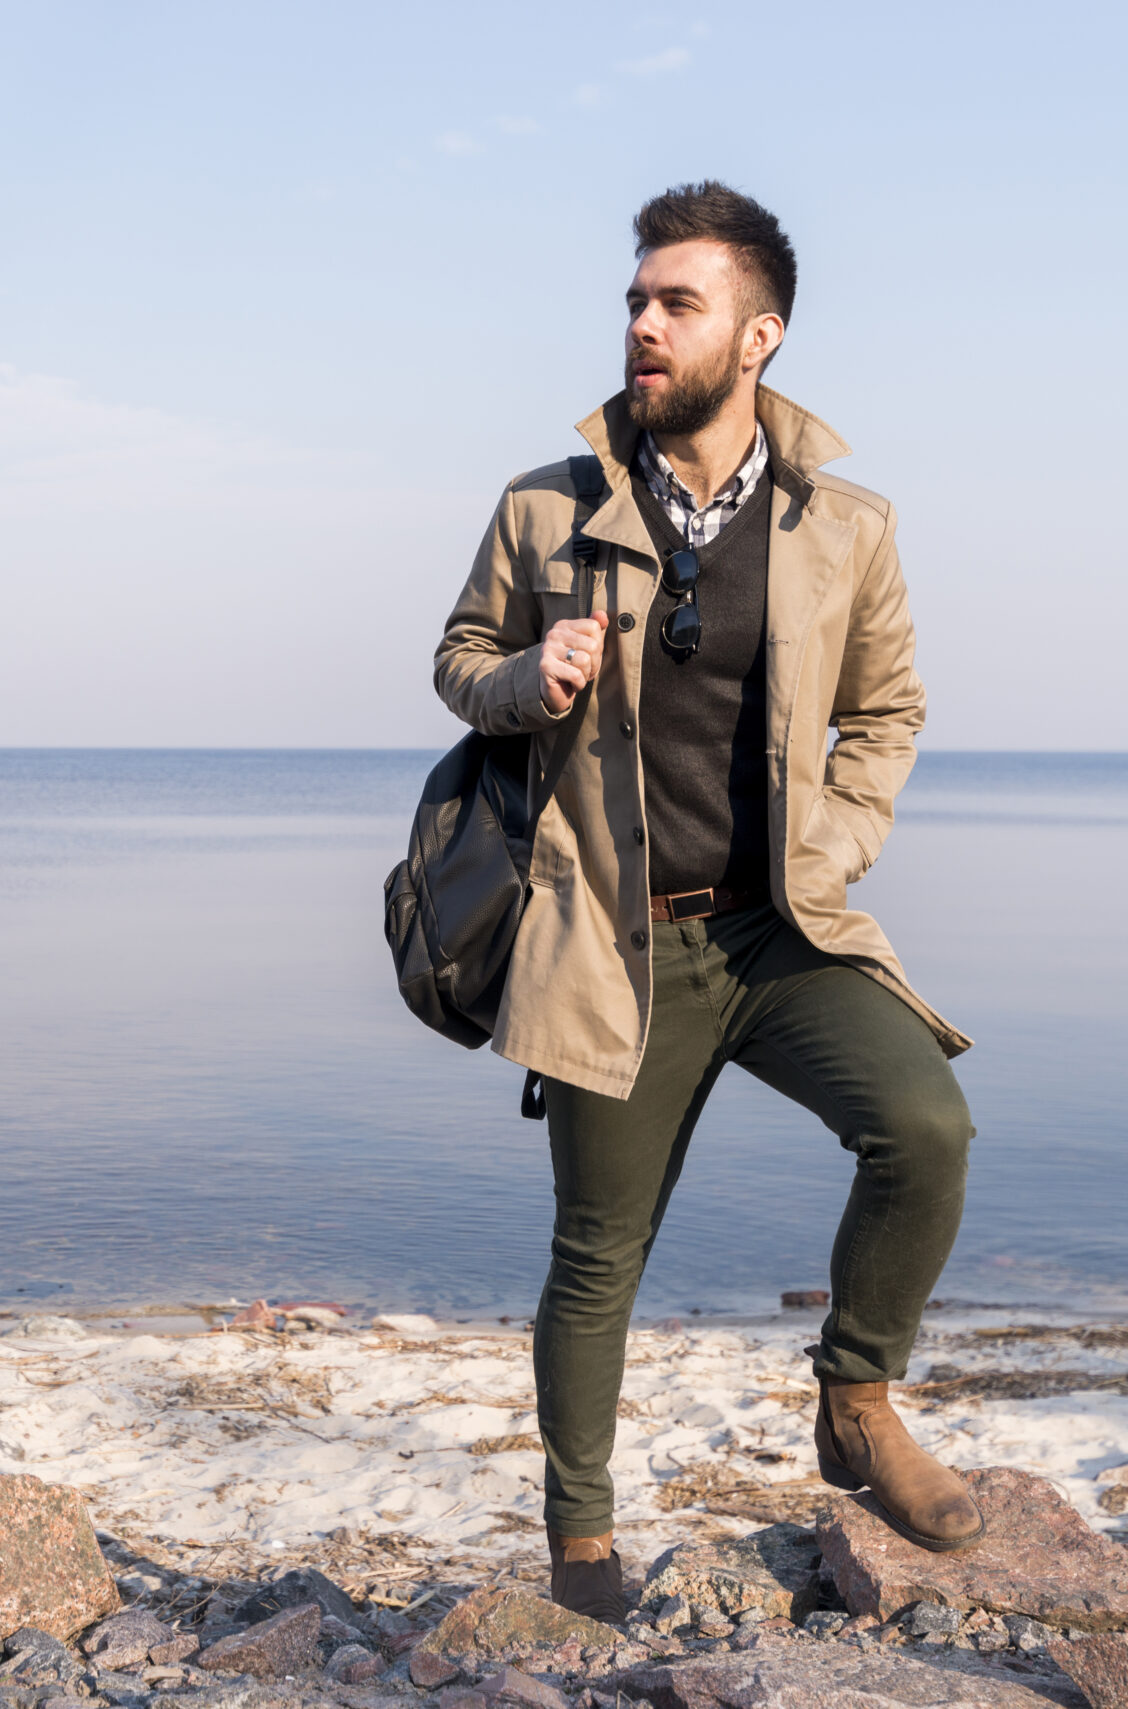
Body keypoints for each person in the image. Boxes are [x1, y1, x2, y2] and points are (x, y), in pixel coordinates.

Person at [432, 182, 984, 1621]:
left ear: (759, 335)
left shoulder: (845, 524)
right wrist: (525, 678)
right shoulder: (545, 506)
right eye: (636, 300)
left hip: (781, 931)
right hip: (612, 941)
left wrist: (838, 844)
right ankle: (582, 1544)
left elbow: (888, 710)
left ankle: (856, 1399)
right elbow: (459, 660)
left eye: (678, 302)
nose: (643, 325)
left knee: (925, 1128)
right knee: (597, 1255)